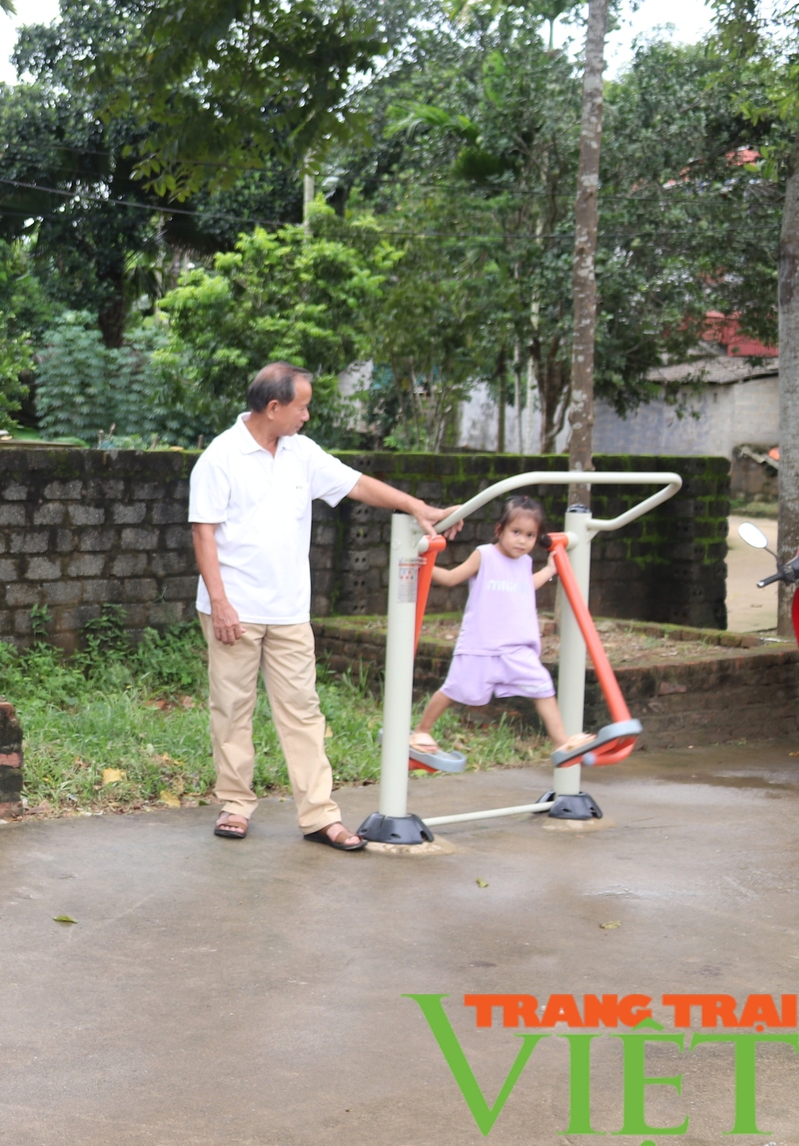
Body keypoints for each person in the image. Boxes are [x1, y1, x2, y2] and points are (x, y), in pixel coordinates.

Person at [190, 362, 455, 851]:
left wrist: (416, 506)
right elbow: (203, 531)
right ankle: (235, 804)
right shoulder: (221, 456)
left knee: (302, 712)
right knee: (232, 708)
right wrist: (222, 603)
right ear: (274, 407)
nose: (307, 415)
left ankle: (318, 815)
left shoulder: (301, 453)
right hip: (236, 608)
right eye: (302, 406)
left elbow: (357, 484)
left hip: (290, 610)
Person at [409, 495, 594, 760]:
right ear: (500, 530)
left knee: (542, 685)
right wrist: (425, 566)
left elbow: (525, 586)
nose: (522, 540)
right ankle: (421, 731)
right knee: (453, 689)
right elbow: (452, 578)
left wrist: (551, 569)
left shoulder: (525, 562)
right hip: (480, 646)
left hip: (516, 648)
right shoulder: (484, 555)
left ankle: (561, 741)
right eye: (516, 532)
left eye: (530, 535)